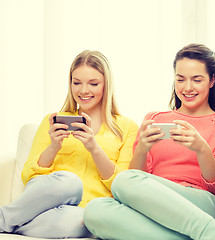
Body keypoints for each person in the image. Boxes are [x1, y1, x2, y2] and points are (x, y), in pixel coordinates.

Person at [83, 43, 215, 240]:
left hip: (200, 203)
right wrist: (141, 150)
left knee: (123, 180)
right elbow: (137, 183)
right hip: (156, 206)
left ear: (211, 81)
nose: (188, 87)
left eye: (197, 79)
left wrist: (201, 148)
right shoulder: (155, 118)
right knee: (94, 210)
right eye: (181, 79)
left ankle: (213, 233)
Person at [0, 50, 139, 238]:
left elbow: (121, 186)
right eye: (77, 83)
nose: (83, 91)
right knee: (69, 181)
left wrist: (94, 148)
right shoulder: (53, 121)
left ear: (106, 85)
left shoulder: (126, 127)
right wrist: (53, 147)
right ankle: (5, 218)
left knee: (80, 222)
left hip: (80, 211)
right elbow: (28, 176)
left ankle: (10, 222)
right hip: (44, 200)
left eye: (93, 83)